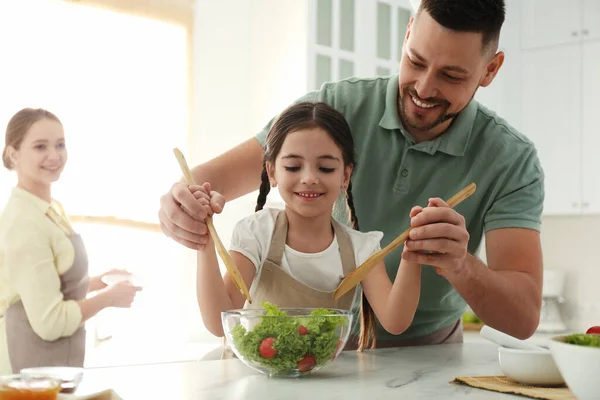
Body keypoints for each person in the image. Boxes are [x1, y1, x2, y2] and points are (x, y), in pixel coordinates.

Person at [159, 0, 544, 346]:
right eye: (416, 60)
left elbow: (523, 319)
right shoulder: (335, 106)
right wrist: (183, 203)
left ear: (490, 69)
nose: (424, 88)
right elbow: (207, 180)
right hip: (290, 345)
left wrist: (461, 265)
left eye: (452, 76)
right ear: (408, 33)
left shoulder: (511, 159)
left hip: (426, 352)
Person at [195, 102, 422, 351]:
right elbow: (219, 322)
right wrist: (203, 240)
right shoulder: (258, 233)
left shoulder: (361, 248)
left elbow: (395, 321)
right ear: (272, 172)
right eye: (293, 167)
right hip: (254, 378)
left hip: (323, 383)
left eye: (325, 168)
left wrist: (414, 254)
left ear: (346, 175)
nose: (309, 178)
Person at [0, 108, 143, 374]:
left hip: (52, 367)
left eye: (60, 144)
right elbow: (50, 321)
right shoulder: (23, 223)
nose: (54, 156)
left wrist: (100, 281)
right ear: (13, 154)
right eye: (40, 146)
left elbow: (46, 289)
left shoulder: (49, 209)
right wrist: (106, 298)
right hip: (24, 375)